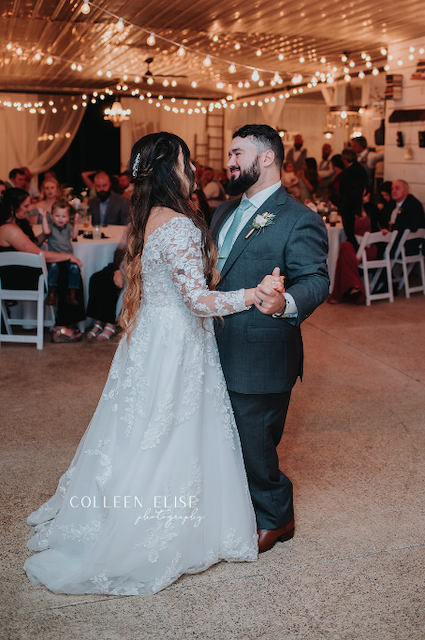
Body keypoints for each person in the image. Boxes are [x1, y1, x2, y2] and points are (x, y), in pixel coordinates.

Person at [22, 131, 285, 596]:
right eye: (186, 161)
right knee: (170, 431)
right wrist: (252, 295)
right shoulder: (180, 225)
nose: (193, 170)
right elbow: (198, 300)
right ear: (171, 168)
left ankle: (118, 509)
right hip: (177, 340)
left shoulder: (147, 218)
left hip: (150, 338)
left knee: (140, 428)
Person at [210, 124, 329, 553]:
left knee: (255, 443)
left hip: (260, 350)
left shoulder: (300, 218)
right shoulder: (223, 211)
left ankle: (277, 517)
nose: (230, 161)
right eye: (230, 153)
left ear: (266, 158)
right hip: (213, 346)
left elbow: (316, 279)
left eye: (237, 153)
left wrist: (285, 304)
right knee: (224, 437)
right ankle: (238, 508)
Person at [0, 189, 82, 342]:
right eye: (25, 206)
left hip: (21, 271)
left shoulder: (17, 224)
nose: (28, 209)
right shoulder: (9, 230)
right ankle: (60, 328)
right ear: (12, 207)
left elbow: (32, 243)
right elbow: (39, 254)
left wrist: (46, 233)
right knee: (65, 271)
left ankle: (65, 322)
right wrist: (69, 256)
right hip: (16, 279)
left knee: (68, 270)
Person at [328, 189, 377, 305]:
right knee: (345, 246)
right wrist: (358, 252)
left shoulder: (371, 209)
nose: (369, 195)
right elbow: (350, 235)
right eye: (365, 193)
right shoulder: (348, 212)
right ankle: (355, 287)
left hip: (370, 248)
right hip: (355, 246)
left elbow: (377, 229)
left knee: (343, 251)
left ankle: (343, 292)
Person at [85, 227, 128, 341]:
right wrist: (117, 270)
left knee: (111, 283)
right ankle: (98, 321)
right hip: (121, 265)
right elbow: (119, 250)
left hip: (134, 268)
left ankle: (110, 323)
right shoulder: (131, 225)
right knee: (96, 278)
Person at [41, 200, 81, 307]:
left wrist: (76, 222)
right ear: (52, 216)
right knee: (53, 268)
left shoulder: (68, 227)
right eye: (57, 215)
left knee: (75, 268)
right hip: (54, 259)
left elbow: (74, 235)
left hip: (67, 259)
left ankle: (72, 293)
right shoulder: (51, 227)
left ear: (68, 217)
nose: (60, 219)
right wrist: (44, 217)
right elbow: (45, 231)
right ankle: (51, 293)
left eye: (63, 216)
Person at [338, 148, 368, 250]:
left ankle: (352, 253)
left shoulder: (348, 173)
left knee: (350, 233)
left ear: (345, 160)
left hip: (350, 205)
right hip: (359, 204)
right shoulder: (361, 169)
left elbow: (343, 191)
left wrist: (341, 206)